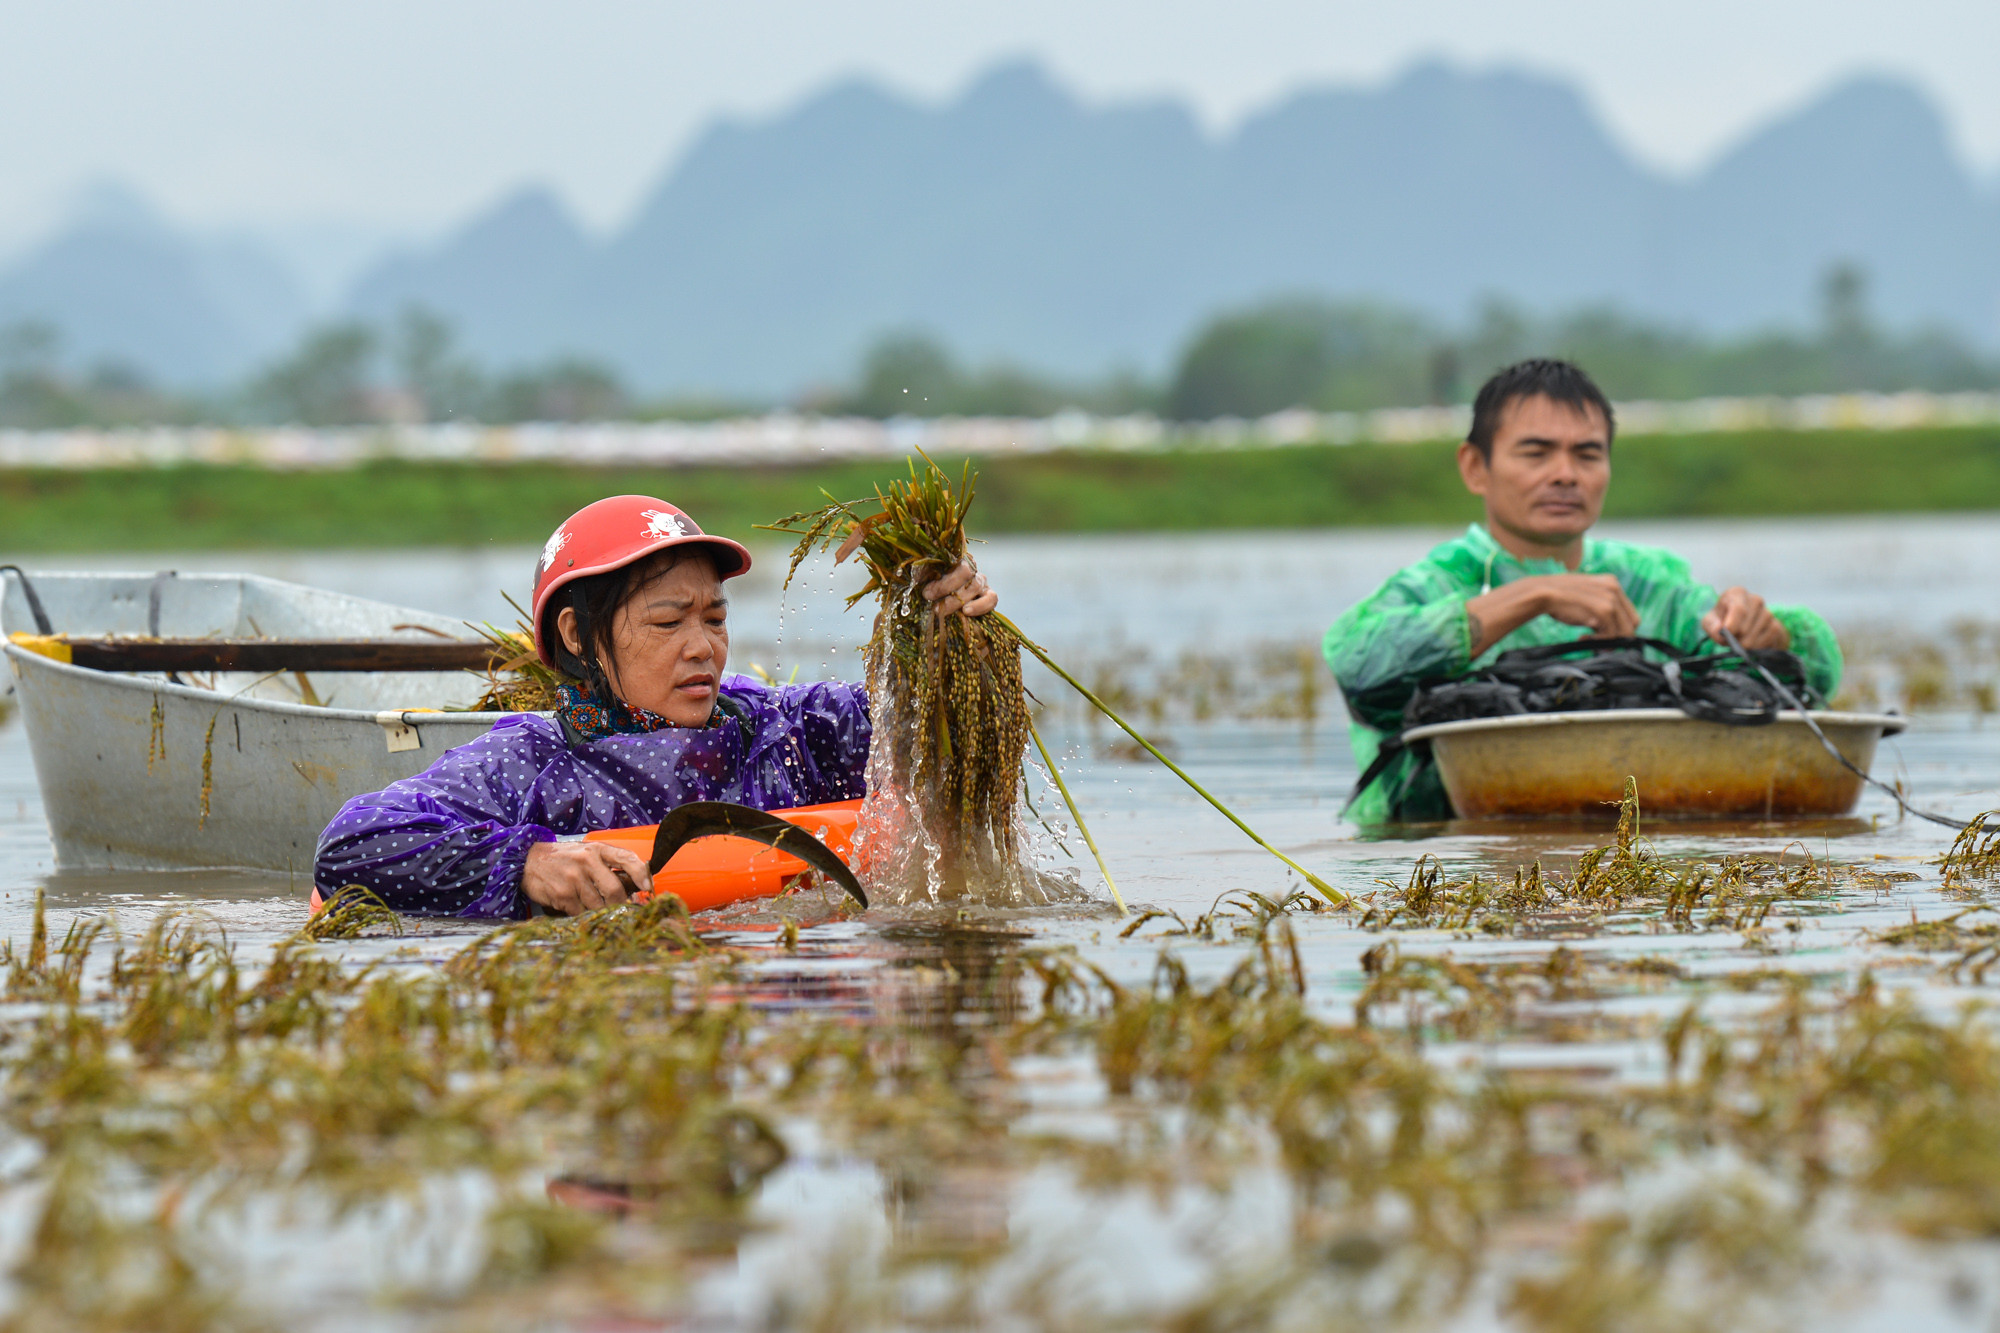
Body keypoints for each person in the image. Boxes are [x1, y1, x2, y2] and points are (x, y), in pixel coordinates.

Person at [315, 494, 996, 918]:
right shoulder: (531, 762)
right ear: (578, 635)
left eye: (715, 618)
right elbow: (350, 843)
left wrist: (947, 633)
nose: (703, 648)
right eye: (669, 623)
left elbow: (939, 733)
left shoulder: (780, 732)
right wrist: (526, 863)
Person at [1324, 358, 1842, 823]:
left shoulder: (1645, 583)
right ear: (1475, 467)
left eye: (1588, 455)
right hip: (1434, 858)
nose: (1566, 475)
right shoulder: (1436, 583)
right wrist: (1535, 594)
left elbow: (1818, 672)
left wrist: (1771, 635)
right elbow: (1355, 661)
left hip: (1634, 834)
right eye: (1536, 453)